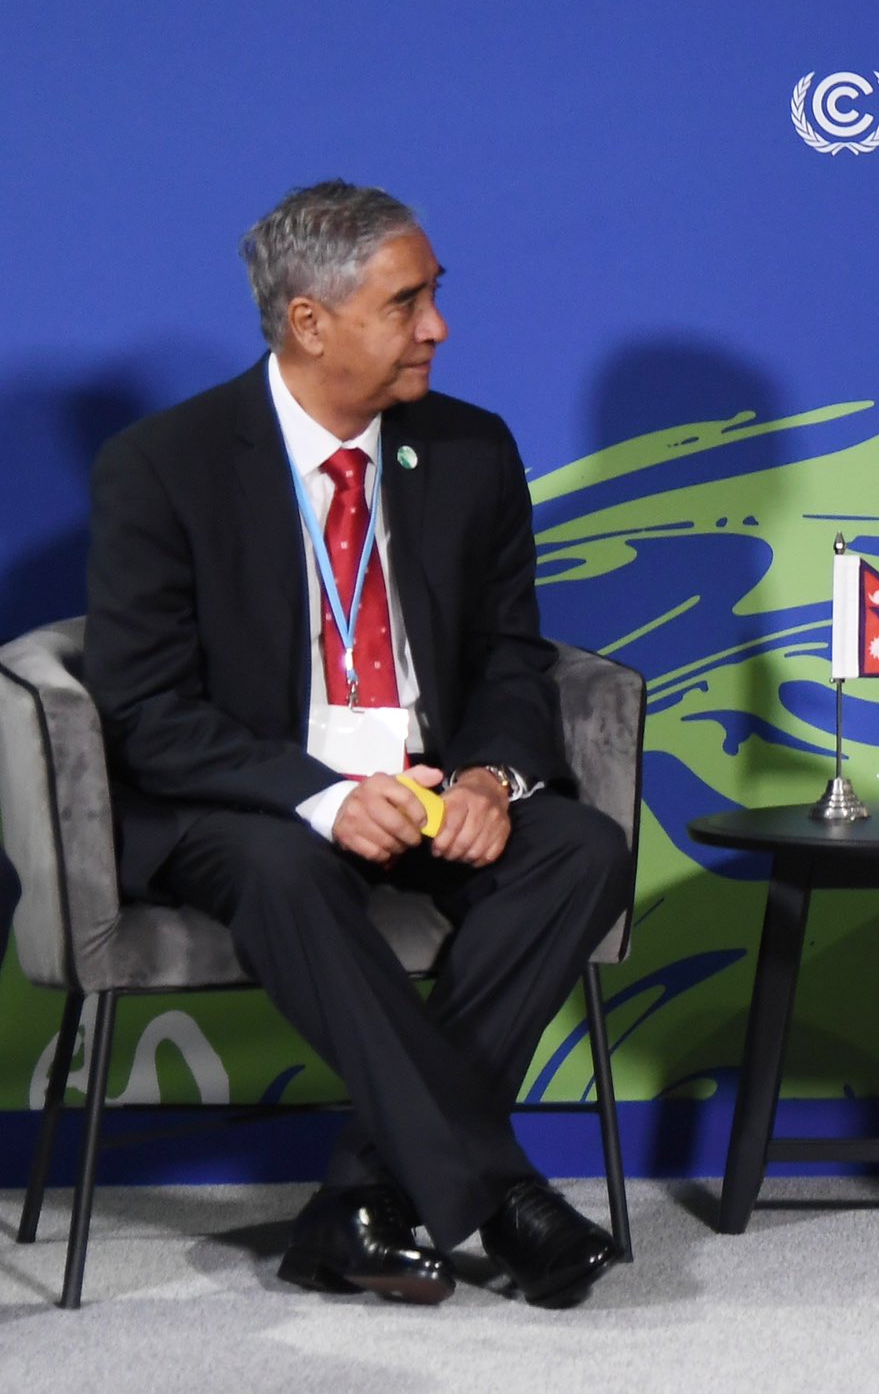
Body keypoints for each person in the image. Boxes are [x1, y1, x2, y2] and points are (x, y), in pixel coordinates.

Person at [84, 181, 634, 1308]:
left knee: (575, 846)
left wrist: (489, 777)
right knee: (283, 867)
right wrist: (321, 796)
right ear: (309, 320)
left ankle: (362, 1205)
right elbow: (146, 708)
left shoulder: (470, 449)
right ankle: (499, 1192)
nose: (437, 327)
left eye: (434, 298)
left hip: (430, 784)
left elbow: (510, 656)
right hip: (250, 806)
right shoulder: (164, 465)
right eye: (408, 303)